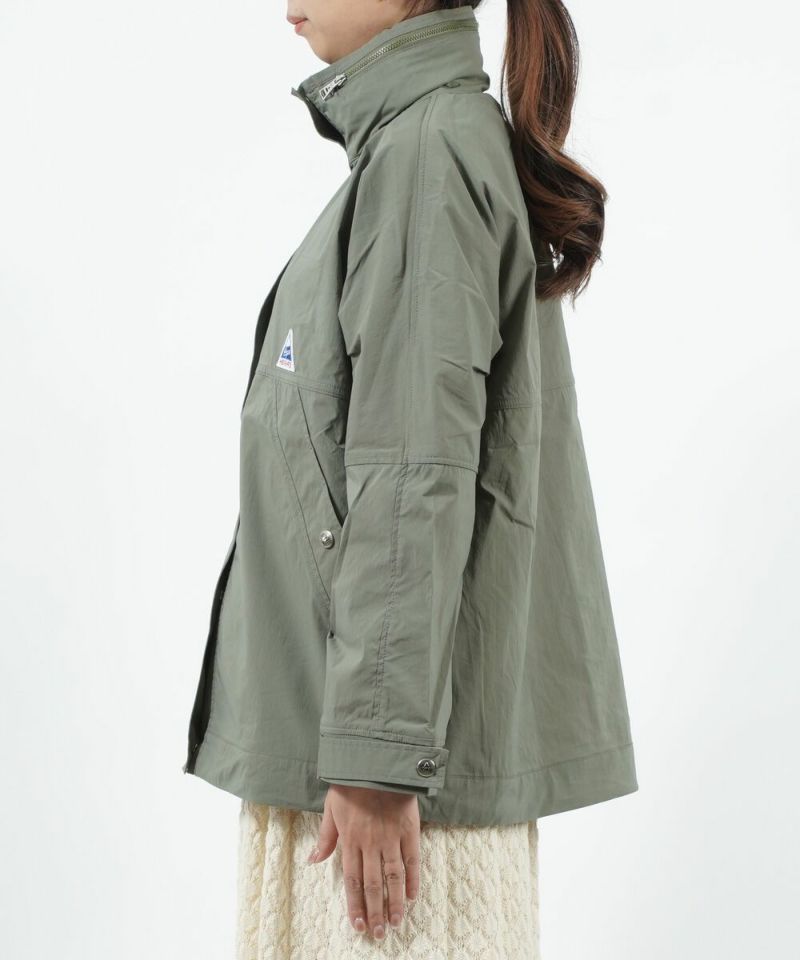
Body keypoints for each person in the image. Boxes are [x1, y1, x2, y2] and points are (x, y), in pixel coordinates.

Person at [182, 1, 639, 956]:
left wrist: (378, 759)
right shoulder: (420, 147)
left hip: (383, 796)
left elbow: (414, 471)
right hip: (361, 760)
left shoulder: (427, 156)